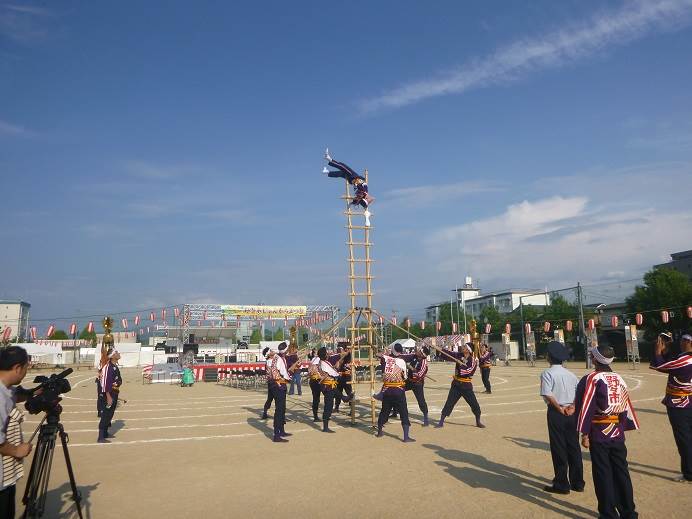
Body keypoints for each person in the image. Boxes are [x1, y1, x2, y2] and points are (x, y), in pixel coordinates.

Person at [575, 345, 639, 518]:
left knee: (602, 473)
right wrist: (622, 426)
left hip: (599, 432)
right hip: (617, 432)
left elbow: (585, 405)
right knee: (621, 471)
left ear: (595, 359)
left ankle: (608, 513)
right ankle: (629, 511)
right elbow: (625, 404)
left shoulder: (592, 378)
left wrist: (584, 433)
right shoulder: (619, 378)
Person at [540, 341, 584, 495]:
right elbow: (579, 393)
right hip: (572, 413)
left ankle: (562, 483)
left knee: (558, 447)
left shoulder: (547, 373)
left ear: (549, 357)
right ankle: (578, 482)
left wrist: (559, 408)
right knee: (574, 446)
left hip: (556, 412)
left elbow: (548, 393)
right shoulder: (571, 374)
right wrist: (572, 406)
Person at [649, 332, 692, 483]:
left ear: (688, 342)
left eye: (683, 340)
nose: (681, 342)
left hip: (680, 404)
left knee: (684, 439)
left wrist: (657, 351)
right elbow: (672, 366)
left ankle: (689, 473)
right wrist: (666, 352)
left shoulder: (686, 360)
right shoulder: (683, 358)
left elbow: (659, 365)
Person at [0, 347, 33, 519]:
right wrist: (17, 451)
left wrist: (34, 392)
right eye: (27, 368)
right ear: (18, 368)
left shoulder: (5, 389)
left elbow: (15, 395)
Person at [435, 343, 485, 428]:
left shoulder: (473, 360)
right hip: (456, 385)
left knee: (474, 404)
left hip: (466, 386)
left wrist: (461, 365)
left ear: (468, 350)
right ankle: (441, 421)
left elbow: (469, 371)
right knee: (449, 402)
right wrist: (440, 350)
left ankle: (478, 421)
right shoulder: (459, 355)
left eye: (465, 347)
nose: (462, 347)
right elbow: (450, 355)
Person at [375, 343, 415, 442]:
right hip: (398, 391)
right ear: (400, 351)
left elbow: (378, 354)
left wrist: (385, 353)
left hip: (387, 391)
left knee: (384, 411)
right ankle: (406, 437)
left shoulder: (386, 359)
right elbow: (405, 377)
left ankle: (379, 431)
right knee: (403, 412)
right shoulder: (401, 361)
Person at [323, 149, 373, 225]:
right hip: (353, 180)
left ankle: (329, 159)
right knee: (342, 173)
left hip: (354, 178)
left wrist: (359, 199)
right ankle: (327, 172)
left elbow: (366, 197)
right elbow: (368, 199)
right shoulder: (363, 194)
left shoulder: (363, 192)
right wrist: (355, 202)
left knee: (343, 167)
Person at [267, 341, 291, 442]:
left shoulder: (269, 359)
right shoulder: (280, 359)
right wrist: (289, 377)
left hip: (272, 385)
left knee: (281, 408)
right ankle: (277, 434)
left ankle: (281, 430)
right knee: (280, 410)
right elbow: (284, 373)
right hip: (279, 386)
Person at [98, 349, 122, 443]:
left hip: (114, 393)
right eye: (117, 352)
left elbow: (118, 379)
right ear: (112, 356)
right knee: (106, 414)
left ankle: (105, 433)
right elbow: (104, 383)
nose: (119, 353)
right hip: (108, 394)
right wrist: (108, 396)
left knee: (110, 414)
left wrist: (118, 383)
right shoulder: (108, 367)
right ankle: (100, 437)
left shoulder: (114, 366)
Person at [317, 346, 340, 433]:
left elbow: (332, 371)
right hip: (327, 386)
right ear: (325, 355)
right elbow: (333, 373)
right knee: (328, 406)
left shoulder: (323, 362)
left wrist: (335, 369)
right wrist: (337, 374)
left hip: (329, 385)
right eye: (327, 353)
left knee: (337, 393)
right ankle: (325, 427)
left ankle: (344, 398)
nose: (328, 354)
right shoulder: (324, 363)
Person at [406, 346, 431, 426]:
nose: (418, 350)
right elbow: (405, 357)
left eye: (420, 350)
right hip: (409, 381)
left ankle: (426, 417)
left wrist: (411, 368)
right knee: (397, 390)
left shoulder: (424, 363)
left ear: (422, 354)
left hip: (417, 384)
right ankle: (395, 411)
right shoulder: (415, 357)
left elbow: (419, 375)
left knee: (421, 400)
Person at [307, 349, 322, 422]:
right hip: (316, 381)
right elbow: (311, 371)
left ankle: (316, 415)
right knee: (316, 399)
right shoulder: (316, 360)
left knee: (316, 399)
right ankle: (316, 416)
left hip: (316, 381)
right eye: (315, 352)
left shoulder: (313, 360)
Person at [261, 347, 275, 420]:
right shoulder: (270, 361)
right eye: (272, 351)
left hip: (271, 381)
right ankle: (281, 416)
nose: (273, 351)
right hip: (273, 381)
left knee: (270, 398)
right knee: (277, 399)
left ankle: (265, 413)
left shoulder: (271, 360)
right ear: (269, 354)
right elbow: (272, 372)